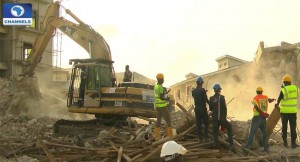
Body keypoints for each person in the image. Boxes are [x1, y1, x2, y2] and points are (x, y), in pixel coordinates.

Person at [244, 87, 276, 152]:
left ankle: (248, 146)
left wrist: (260, 112)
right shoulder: (265, 97)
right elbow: (269, 100)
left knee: (252, 132)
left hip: (257, 117)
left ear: (256, 92)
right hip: (263, 118)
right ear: (262, 92)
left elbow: (255, 106)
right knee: (264, 133)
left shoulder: (255, 98)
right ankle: (265, 148)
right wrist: (272, 99)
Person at [275, 74, 299, 149]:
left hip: (284, 113)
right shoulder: (296, 88)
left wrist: (276, 104)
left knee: (284, 128)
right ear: (290, 82)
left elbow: (278, 99)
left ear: (284, 82)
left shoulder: (283, 90)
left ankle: (285, 143)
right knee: (293, 128)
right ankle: (293, 144)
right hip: (293, 112)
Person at [209, 84, 233, 149]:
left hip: (214, 119)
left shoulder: (211, 98)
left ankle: (216, 146)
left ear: (214, 90)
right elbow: (225, 109)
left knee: (215, 132)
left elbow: (211, 109)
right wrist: (224, 119)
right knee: (229, 127)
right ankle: (231, 145)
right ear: (219, 90)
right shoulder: (222, 97)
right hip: (221, 118)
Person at [154, 73, 173, 141]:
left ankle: (157, 137)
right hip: (162, 106)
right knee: (168, 121)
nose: (163, 80)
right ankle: (170, 137)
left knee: (158, 122)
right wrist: (166, 99)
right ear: (160, 79)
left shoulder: (156, 86)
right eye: (163, 79)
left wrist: (166, 93)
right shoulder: (160, 87)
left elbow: (159, 95)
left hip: (157, 106)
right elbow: (161, 97)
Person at [192, 76, 210, 142]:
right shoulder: (202, 90)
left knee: (198, 124)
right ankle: (206, 137)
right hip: (202, 108)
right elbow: (206, 100)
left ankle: (199, 138)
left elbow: (197, 94)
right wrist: (211, 104)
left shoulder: (193, 91)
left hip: (197, 108)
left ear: (196, 83)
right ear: (201, 83)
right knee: (206, 123)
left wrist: (203, 92)